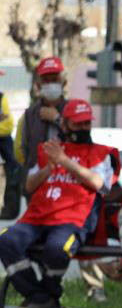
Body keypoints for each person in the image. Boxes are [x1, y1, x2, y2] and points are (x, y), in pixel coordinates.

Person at [0, 99, 114, 308]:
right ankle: (41, 297)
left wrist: (65, 161)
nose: (83, 129)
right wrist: (49, 168)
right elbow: (29, 185)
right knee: (6, 241)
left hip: (72, 219)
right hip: (36, 218)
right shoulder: (48, 149)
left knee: (57, 248)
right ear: (65, 125)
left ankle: (43, 298)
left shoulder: (100, 153)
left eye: (86, 124)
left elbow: (99, 183)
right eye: (77, 124)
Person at [14, 56, 69, 210]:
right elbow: (23, 152)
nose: (50, 84)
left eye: (54, 79)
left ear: (63, 82)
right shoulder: (29, 114)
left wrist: (57, 119)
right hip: (37, 190)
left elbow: (83, 143)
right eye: (46, 80)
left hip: (66, 188)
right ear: (38, 84)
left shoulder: (72, 110)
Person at [0, 87, 19, 219]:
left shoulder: (1, 97)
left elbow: (8, 125)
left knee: (15, 167)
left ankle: (9, 209)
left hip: (3, 137)